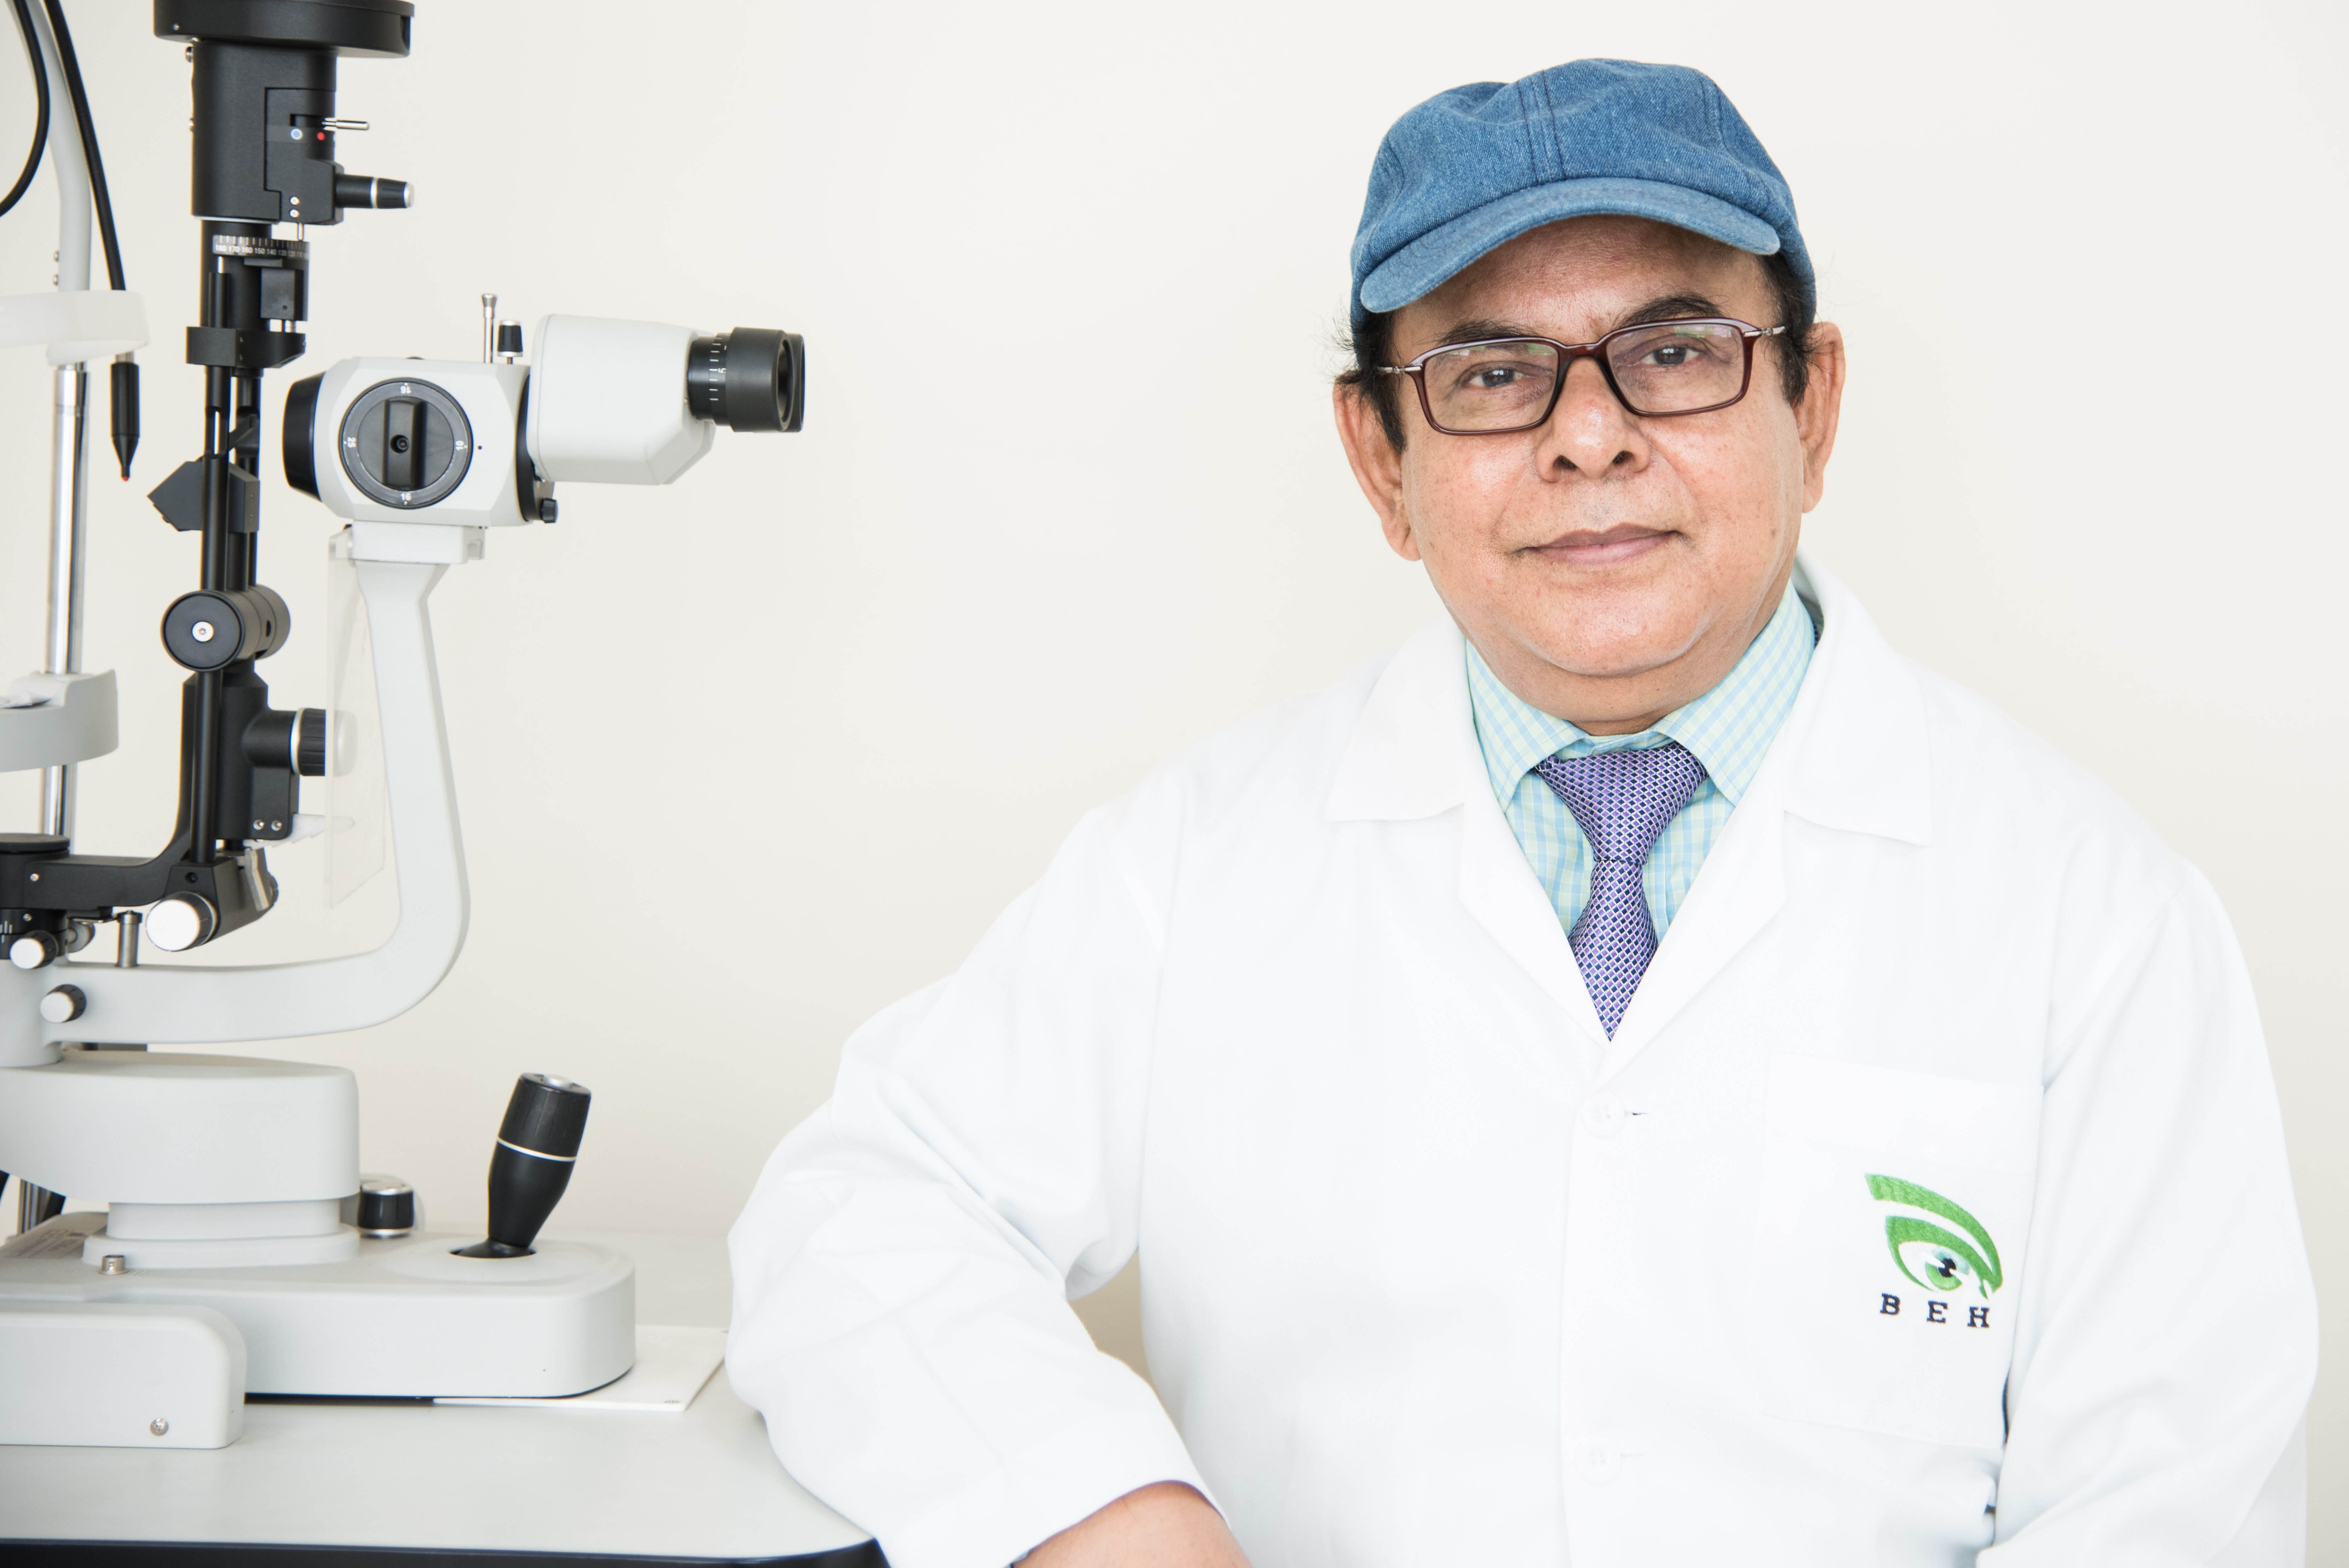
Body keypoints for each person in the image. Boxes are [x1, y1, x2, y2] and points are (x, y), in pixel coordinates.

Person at [726, 59, 2317, 1568]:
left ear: (1813, 407)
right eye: (1490, 375)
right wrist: (1103, 1514)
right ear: (1381, 461)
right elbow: (861, 1212)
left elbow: (2170, 1503)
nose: (1588, 433)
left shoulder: (2091, 914)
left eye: (1675, 353)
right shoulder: (1193, 863)